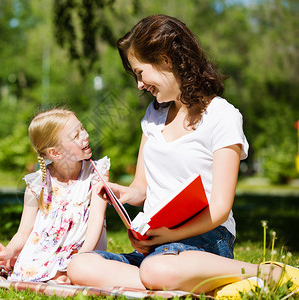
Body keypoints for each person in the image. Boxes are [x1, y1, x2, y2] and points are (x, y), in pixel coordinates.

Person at [67, 14, 298, 297]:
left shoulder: (222, 116)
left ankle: (266, 272)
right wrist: (122, 194)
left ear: (165, 59)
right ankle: (206, 284)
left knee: (155, 271)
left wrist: (171, 236)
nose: (139, 84)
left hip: (205, 241)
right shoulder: (153, 116)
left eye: (140, 73)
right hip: (157, 247)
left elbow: (220, 208)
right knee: (80, 265)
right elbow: (141, 188)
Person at [0, 108, 109, 284]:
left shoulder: (97, 174)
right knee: (28, 268)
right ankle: (56, 276)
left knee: (75, 271)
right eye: (76, 136)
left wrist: (80, 259)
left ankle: (64, 275)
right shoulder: (37, 184)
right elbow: (24, 232)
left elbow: (96, 221)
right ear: (55, 153)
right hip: (45, 250)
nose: (85, 135)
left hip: (83, 250)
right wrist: (8, 251)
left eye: (82, 128)